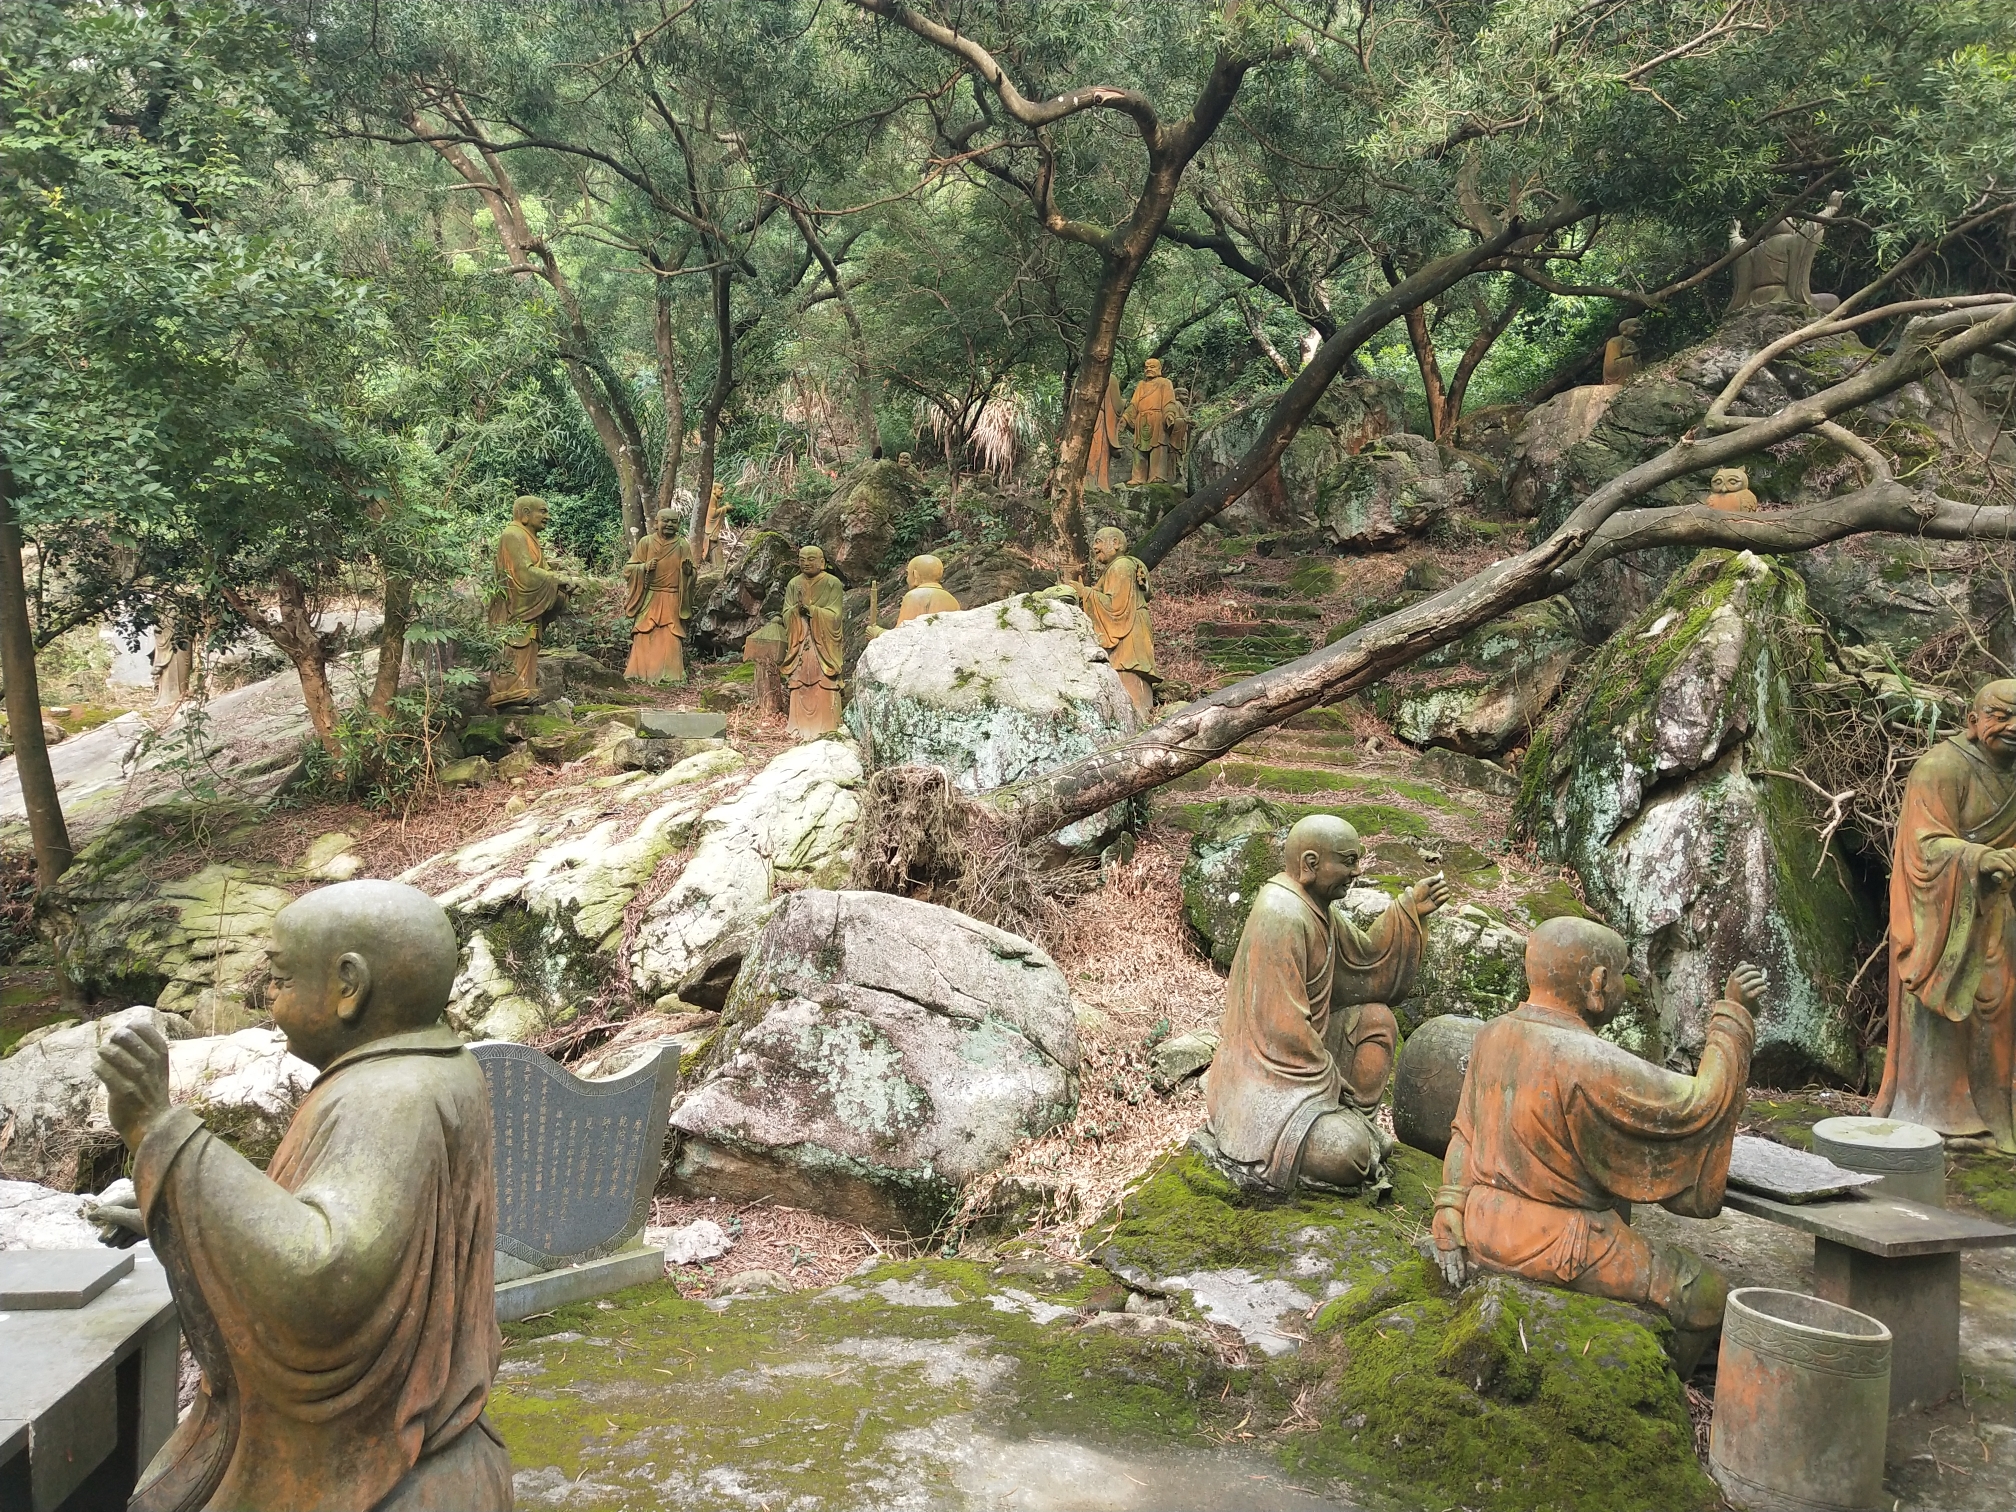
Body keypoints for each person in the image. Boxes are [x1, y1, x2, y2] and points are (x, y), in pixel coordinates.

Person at [93, 881, 509, 1511]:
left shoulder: (388, 1097)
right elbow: (333, 1204)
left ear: (349, 986)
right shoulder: (429, 1064)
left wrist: (161, 1131)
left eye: (281, 977)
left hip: (368, 1463)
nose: (267, 996)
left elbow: (325, 1274)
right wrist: (185, 1203)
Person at [1433, 917, 1765, 1375]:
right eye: (1622, 975)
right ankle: (1665, 1385)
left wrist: (1449, 1209)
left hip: (1483, 1223)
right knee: (1704, 1293)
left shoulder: (1491, 1035)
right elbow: (1697, 1105)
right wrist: (1732, 1018)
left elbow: (1463, 1136)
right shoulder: (1586, 1059)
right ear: (1598, 982)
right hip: (1558, 1244)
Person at [1204, 814, 1448, 1193]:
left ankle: (1354, 1121)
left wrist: (1409, 912)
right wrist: (1330, 1076)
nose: (1356, 871)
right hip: (1270, 1081)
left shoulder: (1319, 908)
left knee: (1377, 1022)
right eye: (1348, 861)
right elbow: (1280, 1028)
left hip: (1311, 1063)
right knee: (1349, 1155)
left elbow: (1366, 961)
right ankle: (1349, 1134)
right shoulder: (1280, 914)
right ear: (1311, 865)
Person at [1875, 679, 2016, 1151]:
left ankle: (2001, 1114)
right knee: (1946, 1013)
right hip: (1942, 919)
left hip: (1999, 915)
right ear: (1973, 722)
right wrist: (1976, 859)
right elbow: (1922, 846)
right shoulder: (1939, 769)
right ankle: (1939, 1114)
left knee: (1999, 1006)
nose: (2012, 727)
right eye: (2001, 715)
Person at [1066, 526, 1160, 723]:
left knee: (1127, 673)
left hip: (1129, 627)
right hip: (1134, 624)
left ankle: (1134, 722)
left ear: (1116, 543)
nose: (1094, 546)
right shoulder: (1122, 566)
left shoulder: (1121, 566)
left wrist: (1084, 593)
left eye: (1099, 541)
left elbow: (1116, 606)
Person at [487, 494, 572, 705]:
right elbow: (522, 573)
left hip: (528, 612)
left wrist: (563, 583)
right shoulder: (513, 534)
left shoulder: (529, 537)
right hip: (514, 608)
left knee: (528, 646)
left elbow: (544, 570)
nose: (547, 517)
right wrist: (556, 580)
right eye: (543, 511)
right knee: (515, 645)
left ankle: (524, 688)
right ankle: (507, 691)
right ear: (525, 514)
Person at [622, 508, 697, 683]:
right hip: (650, 596)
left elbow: (692, 573)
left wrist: (688, 572)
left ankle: (672, 675)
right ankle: (637, 673)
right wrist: (644, 567)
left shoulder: (682, 545)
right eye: (666, 520)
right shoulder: (646, 543)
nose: (669, 525)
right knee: (643, 632)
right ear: (656, 523)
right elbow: (628, 569)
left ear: (678, 525)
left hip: (671, 598)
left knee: (671, 636)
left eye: (674, 521)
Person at [782, 544, 845, 737]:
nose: (806, 563)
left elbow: (835, 616)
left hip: (823, 646)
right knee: (798, 681)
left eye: (811, 559)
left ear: (822, 563)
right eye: (802, 559)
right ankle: (798, 726)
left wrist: (812, 611)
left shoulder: (833, 583)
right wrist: (795, 613)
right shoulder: (794, 583)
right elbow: (785, 613)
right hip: (800, 641)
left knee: (824, 681)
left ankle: (827, 725)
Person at [1120, 359, 1187, 486]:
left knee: (1158, 447)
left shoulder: (1165, 383)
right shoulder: (1141, 385)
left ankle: (1157, 475)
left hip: (1157, 418)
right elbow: (1134, 404)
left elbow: (1169, 402)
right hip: (1141, 419)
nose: (1148, 369)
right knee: (1139, 448)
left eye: (1152, 367)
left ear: (1159, 369)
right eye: (1146, 367)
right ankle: (1138, 477)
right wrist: (1126, 417)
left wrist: (1169, 414)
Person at [1087, 372, 1123, 492]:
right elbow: (1117, 407)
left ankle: (1091, 482)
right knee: (1099, 452)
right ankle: (1098, 484)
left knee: (1097, 452)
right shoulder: (1110, 378)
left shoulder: (1080, 379)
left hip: (1084, 422)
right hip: (1100, 419)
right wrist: (1123, 403)